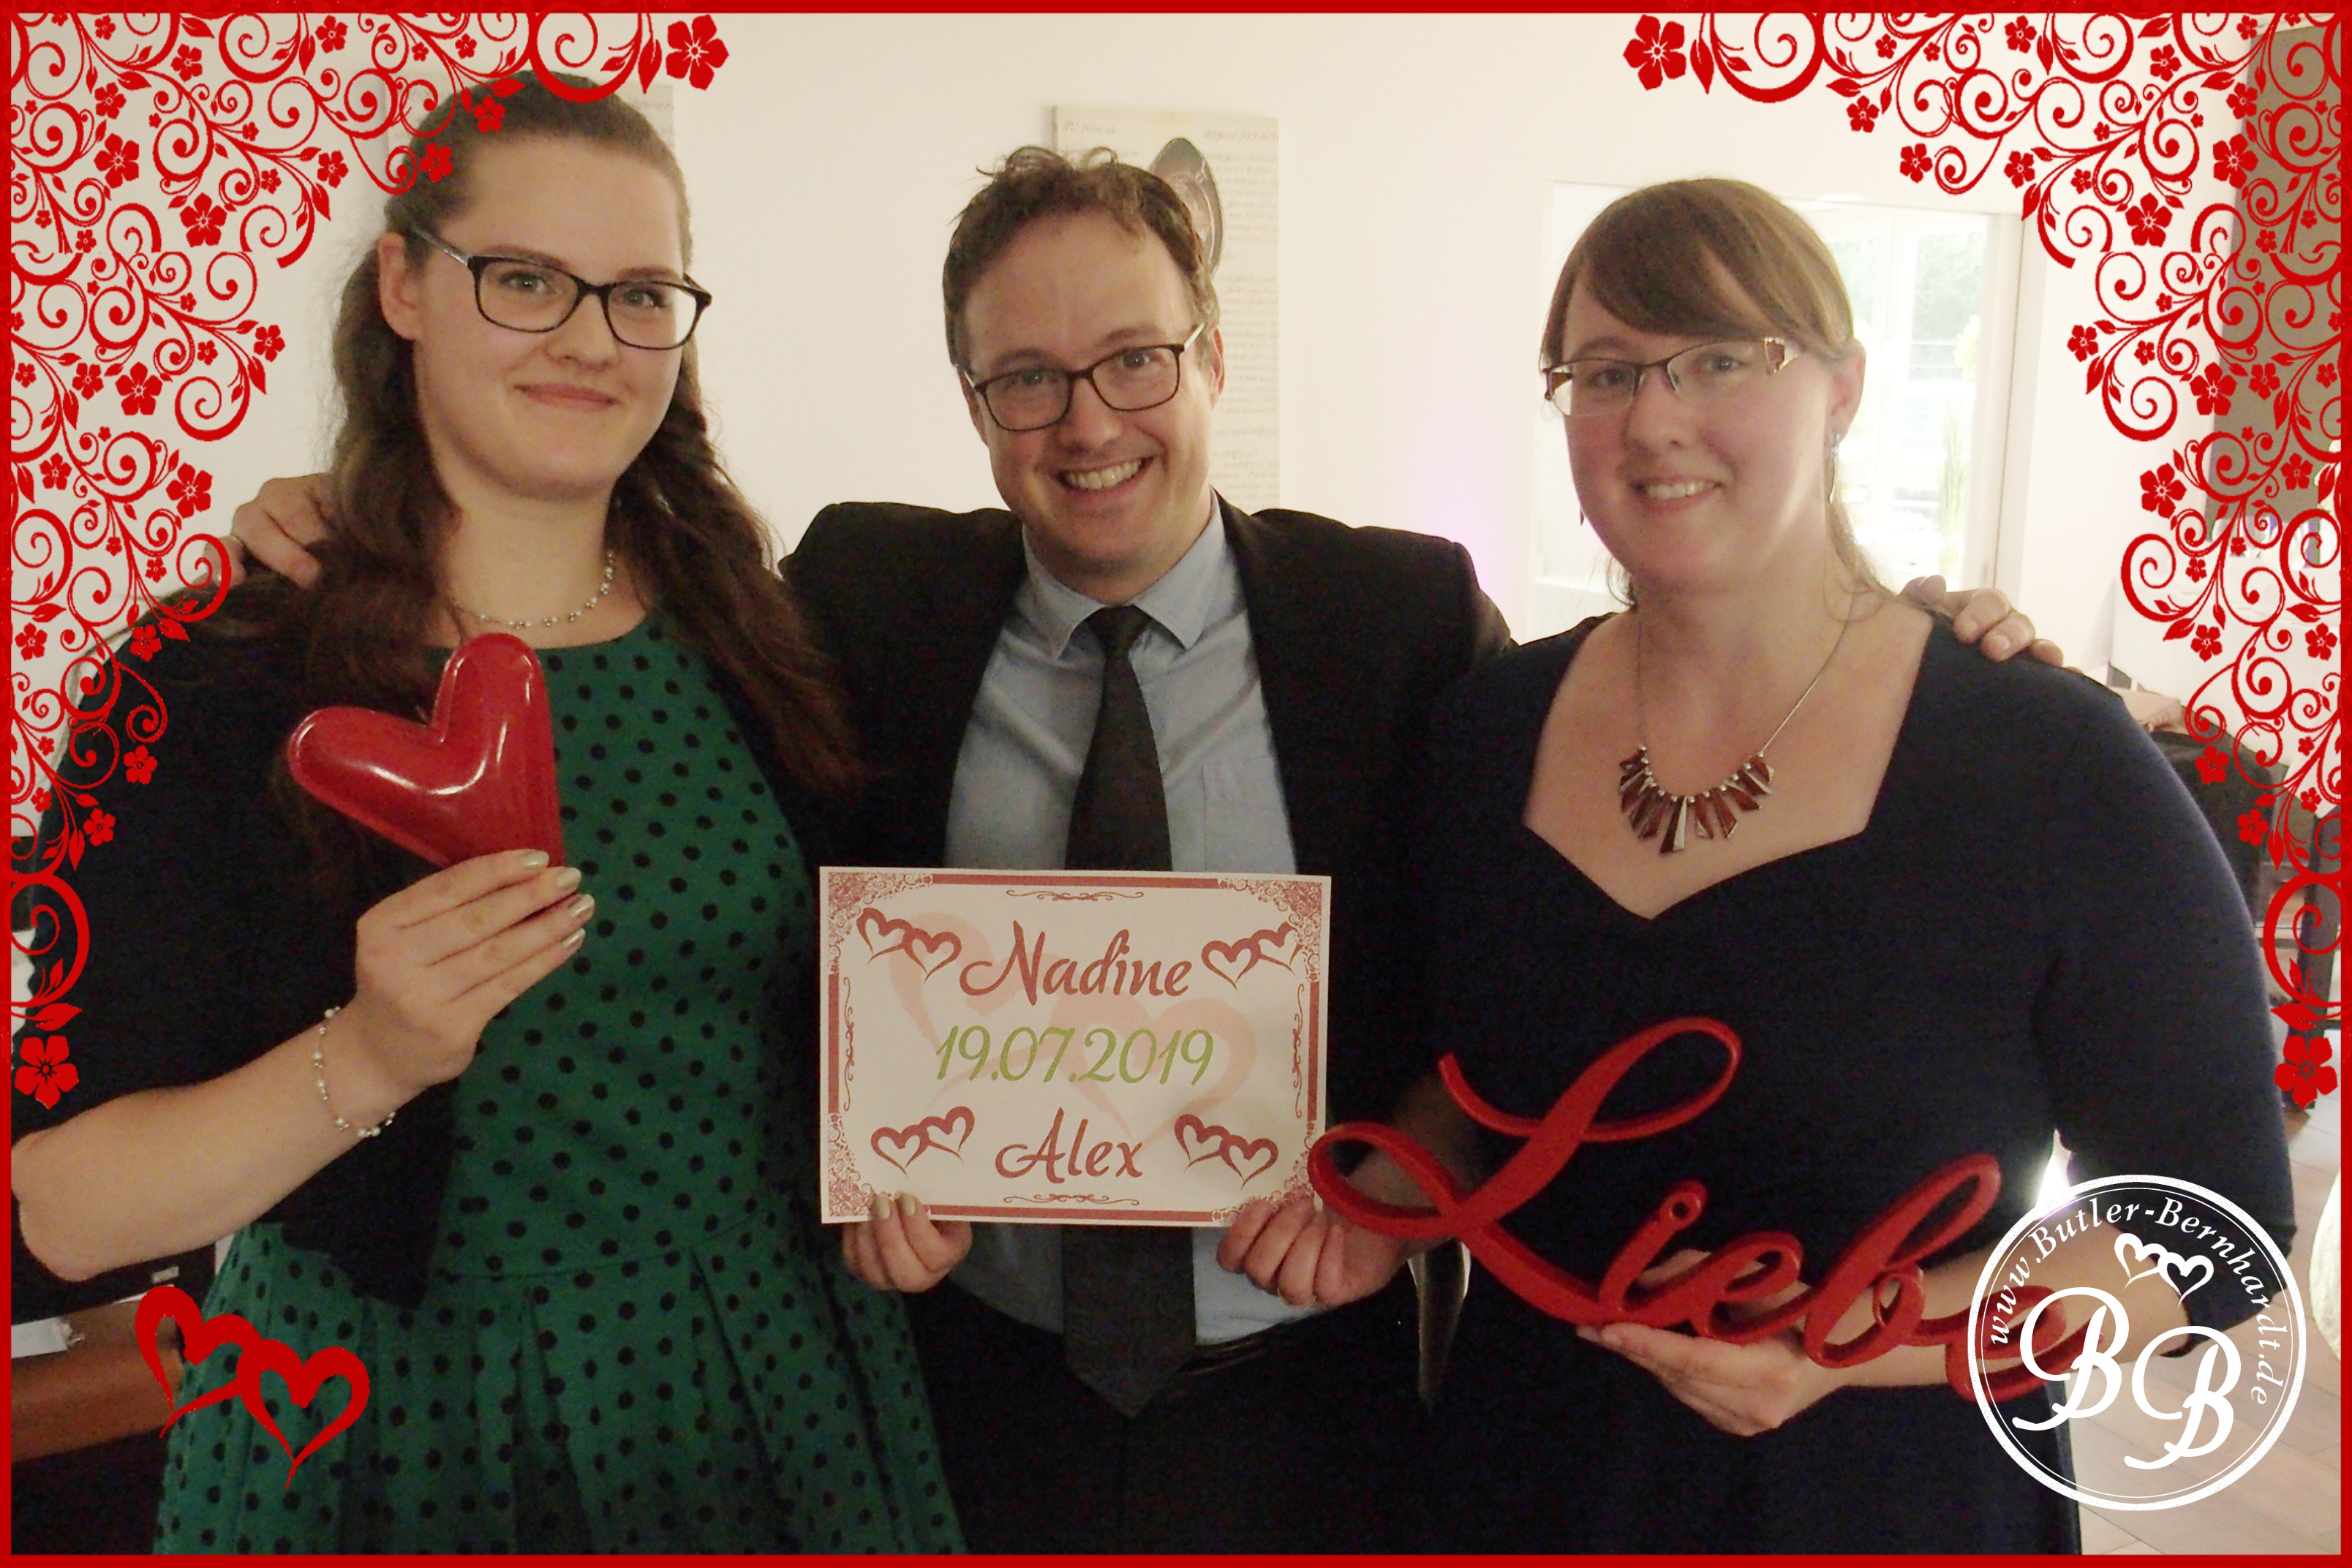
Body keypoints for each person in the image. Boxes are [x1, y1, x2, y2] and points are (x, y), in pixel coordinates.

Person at [220, 149, 2053, 1553]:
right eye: (1025, 379)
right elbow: (637, 637)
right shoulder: (864, 593)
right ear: (972, 405)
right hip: (967, 1393)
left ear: (1210, 358)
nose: (1087, 421)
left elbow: (1520, 974)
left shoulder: (1402, 623)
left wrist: (1922, 627)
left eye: (1132, 360)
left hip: (1312, 1408)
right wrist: (353, 508)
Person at [10, 82, 959, 1553]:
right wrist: (371, 1051)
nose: (589, 339)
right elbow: (67, 1210)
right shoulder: (212, 678)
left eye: (640, 295)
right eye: (524, 280)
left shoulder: (767, 642)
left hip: (767, 1383)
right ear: (404, 284)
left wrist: (896, 1186)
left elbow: (837, 1028)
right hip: (391, 1424)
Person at [1384, 178, 2296, 1551]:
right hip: (1524, 1495)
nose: (1653, 419)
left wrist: (1865, 1339)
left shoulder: (2043, 756)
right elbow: (1445, 1088)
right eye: (1606, 372)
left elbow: (2216, 1227)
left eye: (1718, 360)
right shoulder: (1480, 735)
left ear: (1844, 389)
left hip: (1895, 1501)